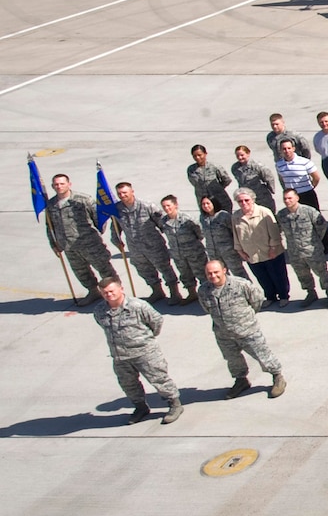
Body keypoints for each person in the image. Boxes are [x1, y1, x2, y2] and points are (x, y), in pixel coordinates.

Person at [92, 276, 183, 424]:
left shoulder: (138, 306)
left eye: (111, 291)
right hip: (120, 356)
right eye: (105, 293)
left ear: (121, 289)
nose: (108, 295)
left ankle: (174, 404)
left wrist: (145, 340)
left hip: (145, 353)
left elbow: (157, 321)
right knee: (128, 384)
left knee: (159, 379)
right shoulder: (100, 310)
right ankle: (140, 407)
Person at [196, 259, 287, 401]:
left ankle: (277, 377)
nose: (213, 276)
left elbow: (256, 301)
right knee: (233, 360)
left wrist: (245, 319)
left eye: (216, 272)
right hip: (223, 333)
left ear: (224, 270)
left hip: (247, 330)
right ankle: (241, 381)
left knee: (263, 355)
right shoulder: (204, 290)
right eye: (209, 273)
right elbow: (206, 308)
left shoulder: (240, 285)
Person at [109, 182, 175, 303]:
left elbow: (163, 224)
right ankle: (157, 291)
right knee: (144, 270)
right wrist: (116, 240)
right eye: (119, 193)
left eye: (125, 193)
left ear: (132, 192)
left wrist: (172, 239)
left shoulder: (147, 206)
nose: (122, 195)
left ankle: (174, 293)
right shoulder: (117, 209)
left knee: (165, 268)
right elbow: (115, 227)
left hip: (153, 245)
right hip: (135, 248)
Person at [232, 189, 290, 304]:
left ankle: (283, 296)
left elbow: (274, 232)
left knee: (278, 275)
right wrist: (240, 250)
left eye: (246, 200)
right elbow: (236, 234)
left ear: (253, 200)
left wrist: (273, 248)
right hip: (251, 253)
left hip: (270, 252)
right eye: (240, 201)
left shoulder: (264, 212)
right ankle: (270, 297)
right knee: (262, 277)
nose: (244, 203)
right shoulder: (236, 216)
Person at [158, 196, 206, 306]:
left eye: (168, 205)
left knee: (202, 274)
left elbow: (200, 233)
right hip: (178, 254)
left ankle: (206, 296)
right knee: (185, 275)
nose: (166, 208)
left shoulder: (187, 219)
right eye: (164, 206)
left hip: (194, 253)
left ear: (175, 205)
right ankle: (192, 294)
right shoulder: (164, 221)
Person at [199, 193, 247, 279]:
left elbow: (234, 232)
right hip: (213, 253)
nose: (206, 206)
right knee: (220, 276)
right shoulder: (203, 218)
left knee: (239, 274)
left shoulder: (223, 215)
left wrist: (239, 248)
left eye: (208, 203)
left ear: (214, 203)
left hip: (228, 251)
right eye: (203, 204)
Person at [230, 146, 281, 212]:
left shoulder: (257, 165)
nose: (240, 157)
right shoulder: (235, 168)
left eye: (242, 155)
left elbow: (269, 177)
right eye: (237, 156)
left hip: (261, 197)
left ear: (248, 153)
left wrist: (271, 189)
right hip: (246, 198)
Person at [186, 144, 233, 216]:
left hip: (219, 200)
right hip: (204, 203)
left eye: (199, 155)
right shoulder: (191, 169)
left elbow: (226, 180)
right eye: (194, 156)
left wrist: (217, 189)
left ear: (205, 154)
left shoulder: (215, 167)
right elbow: (193, 183)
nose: (197, 158)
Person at [274, 138, 321, 209]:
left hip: (307, 194)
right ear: (280, 150)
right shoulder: (279, 165)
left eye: (289, 148)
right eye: (284, 149)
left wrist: (310, 187)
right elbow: (282, 179)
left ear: (293, 148)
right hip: (291, 197)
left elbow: (316, 177)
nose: (287, 151)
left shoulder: (305, 162)